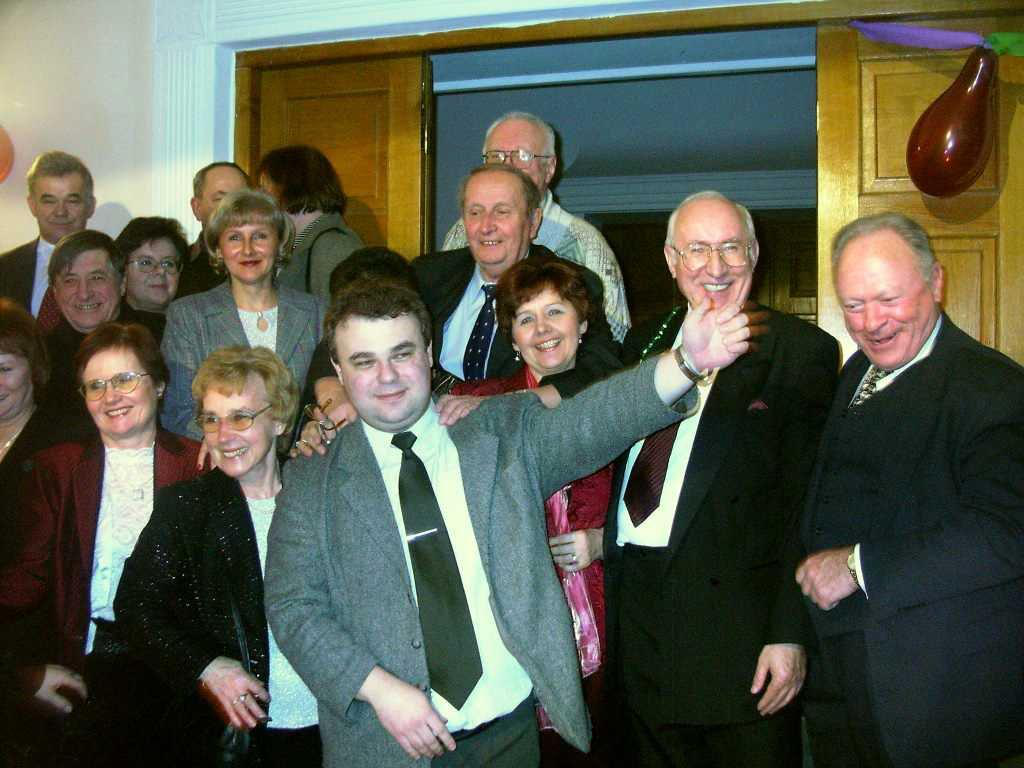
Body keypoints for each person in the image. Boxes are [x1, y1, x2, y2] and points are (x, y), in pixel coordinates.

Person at [262, 280, 758, 768]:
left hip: (508, 737)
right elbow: (292, 607)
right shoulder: (311, 480)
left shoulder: (500, 431)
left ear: (429, 352)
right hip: (381, 744)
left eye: (402, 353)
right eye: (364, 361)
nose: (387, 376)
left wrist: (686, 363)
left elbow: (596, 420)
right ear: (338, 369)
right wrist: (377, 688)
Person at [603, 190, 839, 768]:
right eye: (698, 250)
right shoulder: (642, 343)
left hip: (738, 643)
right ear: (671, 260)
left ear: (754, 255)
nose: (716, 266)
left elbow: (807, 504)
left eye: (731, 248)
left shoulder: (798, 351)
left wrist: (789, 632)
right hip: (638, 624)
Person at [795, 212, 1024, 768]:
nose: (872, 322)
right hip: (840, 673)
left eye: (888, 299)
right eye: (854, 305)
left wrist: (856, 567)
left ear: (935, 282)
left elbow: (1005, 533)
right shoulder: (856, 371)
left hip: (932, 694)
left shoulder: (994, 386)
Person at [0, 323, 202, 767]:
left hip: (179, 675)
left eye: (125, 379)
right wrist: (15, 675)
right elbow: (24, 581)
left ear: (160, 385)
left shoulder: (201, 464)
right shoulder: (57, 469)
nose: (112, 396)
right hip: (90, 669)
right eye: (96, 385)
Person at [115, 346, 321, 767]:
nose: (223, 435)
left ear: (279, 419)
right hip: (237, 739)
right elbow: (135, 607)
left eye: (241, 417)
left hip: (333, 729)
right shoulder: (186, 508)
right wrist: (206, 667)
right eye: (211, 419)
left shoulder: (319, 495)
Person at [450, 259, 613, 767]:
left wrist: (602, 541)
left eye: (555, 312)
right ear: (513, 338)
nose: (542, 329)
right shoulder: (475, 401)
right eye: (526, 318)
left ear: (582, 324)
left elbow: (653, 508)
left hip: (604, 619)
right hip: (505, 625)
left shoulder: (620, 400)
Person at [414, 165, 621, 398]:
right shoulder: (427, 275)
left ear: (533, 222)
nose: (486, 226)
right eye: (475, 212)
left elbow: (602, 366)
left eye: (502, 212)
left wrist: (523, 402)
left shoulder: (565, 282)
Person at [440, 111, 630, 341]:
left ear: (549, 168)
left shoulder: (584, 243)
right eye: (496, 156)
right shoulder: (461, 232)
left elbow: (615, 341)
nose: (507, 165)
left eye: (522, 155)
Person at [161, 188, 324, 441]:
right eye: (235, 238)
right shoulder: (188, 316)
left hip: (302, 458)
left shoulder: (315, 312)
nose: (248, 250)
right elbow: (178, 413)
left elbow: (326, 399)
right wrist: (233, 445)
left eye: (260, 236)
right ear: (218, 249)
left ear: (279, 244)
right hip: (222, 457)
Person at [0, 300, 55, 767]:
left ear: (32, 369)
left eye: (4, 368)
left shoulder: (63, 445)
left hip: (37, 654)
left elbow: (42, 573)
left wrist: (18, 674)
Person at [38, 230, 125, 442]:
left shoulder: (160, 338)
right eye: (70, 280)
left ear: (122, 284)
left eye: (96, 278)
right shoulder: (39, 356)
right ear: (54, 292)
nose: (84, 293)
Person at [0, 152, 95, 331]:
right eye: (49, 201)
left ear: (90, 206)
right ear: (32, 205)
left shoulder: (113, 267)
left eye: (72, 201)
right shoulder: (4, 267)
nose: (60, 212)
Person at [258, 144, 364, 301]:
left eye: (265, 187)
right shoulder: (296, 243)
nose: (260, 197)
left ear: (290, 185)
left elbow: (336, 313)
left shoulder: (333, 245)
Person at [178, 161, 249, 298]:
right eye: (220, 199)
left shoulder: (268, 262)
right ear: (197, 208)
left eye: (241, 198)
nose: (233, 207)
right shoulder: (177, 267)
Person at [114, 216, 189, 342]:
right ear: (123, 270)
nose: (160, 271)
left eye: (168, 263)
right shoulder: (111, 332)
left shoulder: (193, 325)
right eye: (146, 263)